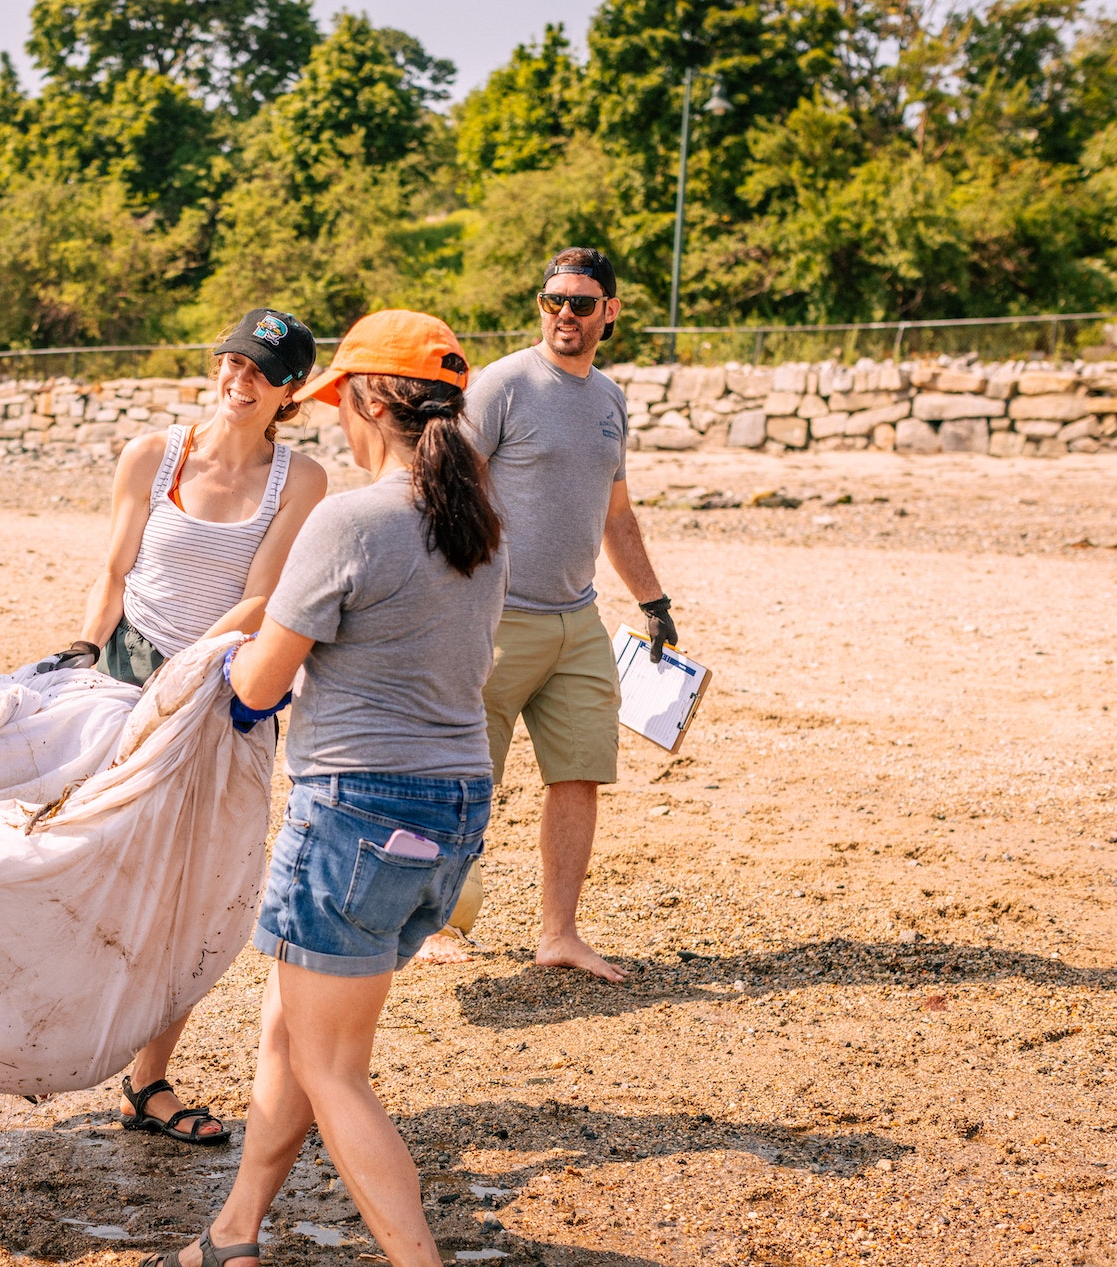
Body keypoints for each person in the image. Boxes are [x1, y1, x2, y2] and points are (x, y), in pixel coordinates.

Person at [144, 309, 506, 1267]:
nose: (334, 418)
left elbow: (260, 686)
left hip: (354, 815)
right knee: (292, 1027)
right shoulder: (479, 525)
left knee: (334, 1068)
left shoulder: (349, 519)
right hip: (455, 811)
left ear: (370, 403)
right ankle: (234, 1232)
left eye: (340, 400)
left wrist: (205, 665)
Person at [37, 309, 328, 1146]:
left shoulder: (299, 480)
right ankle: (54, 1027)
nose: (238, 381)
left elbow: (267, 596)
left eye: (261, 373)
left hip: (226, 686)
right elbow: (115, 567)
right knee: (93, 860)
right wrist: (86, 653)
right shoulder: (153, 455)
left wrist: (191, 678)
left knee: (193, 889)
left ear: (289, 391)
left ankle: (146, 1080)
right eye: (231, 362)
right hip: (128, 671)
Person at [448, 246, 678, 984]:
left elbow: (616, 512)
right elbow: (452, 491)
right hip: (496, 617)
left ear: (610, 311)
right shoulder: (504, 385)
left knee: (579, 773)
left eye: (582, 303)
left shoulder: (609, 400)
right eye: (553, 301)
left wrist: (653, 600)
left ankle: (559, 934)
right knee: (466, 777)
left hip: (578, 622)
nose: (565, 316)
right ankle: (439, 925)